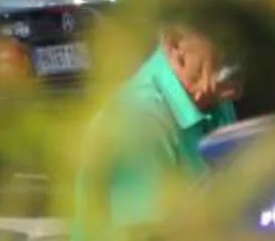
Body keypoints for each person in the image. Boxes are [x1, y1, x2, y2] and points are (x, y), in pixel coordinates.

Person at [74, 22, 241, 239]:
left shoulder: (213, 95)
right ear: (175, 45)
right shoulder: (140, 119)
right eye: (224, 39)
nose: (240, 52)